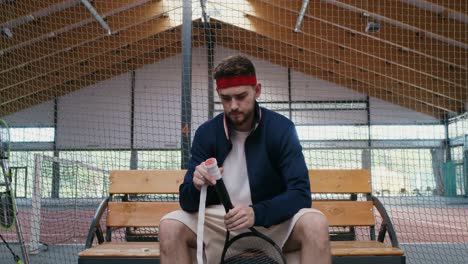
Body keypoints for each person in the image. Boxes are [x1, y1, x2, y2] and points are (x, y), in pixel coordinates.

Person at [159, 55, 330, 263]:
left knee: (316, 223)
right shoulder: (206, 133)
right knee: (169, 226)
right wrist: (196, 185)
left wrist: (256, 213)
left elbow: (300, 194)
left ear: (257, 90)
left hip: (271, 222)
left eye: (241, 96)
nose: (233, 106)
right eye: (226, 98)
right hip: (221, 223)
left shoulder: (281, 129)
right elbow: (186, 201)